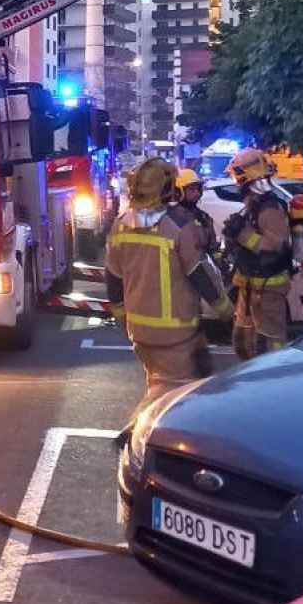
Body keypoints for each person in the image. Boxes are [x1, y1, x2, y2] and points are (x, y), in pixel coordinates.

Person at [106, 159, 230, 437]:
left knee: (158, 382)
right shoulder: (180, 225)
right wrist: (225, 310)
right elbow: (199, 272)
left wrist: (120, 313)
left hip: (138, 328)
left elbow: (112, 276)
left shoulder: (121, 225)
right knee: (175, 389)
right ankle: (136, 433)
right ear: (167, 188)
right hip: (175, 329)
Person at [222, 148, 295, 360]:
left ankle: (274, 379)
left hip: (267, 288)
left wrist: (242, 234)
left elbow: (274, 246)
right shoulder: (253, 204)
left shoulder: (269, 207)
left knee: (270, 341)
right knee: (245, 342)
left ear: (247, 175)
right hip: (250, 286)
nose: (236, 181)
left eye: (237, 175)